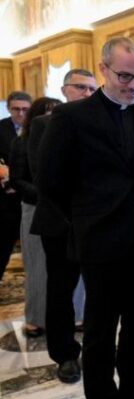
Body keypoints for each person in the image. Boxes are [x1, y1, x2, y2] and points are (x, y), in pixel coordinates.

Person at [36, 37, 134, 399]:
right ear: (103, 69)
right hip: (100, 241)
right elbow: (50, 181)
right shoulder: (71, 118)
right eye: (125, 76)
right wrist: (87, 219)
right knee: (100, 327)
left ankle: (132, 389)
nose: (133, 85)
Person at [29, 68, 95, 383]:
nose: (87, 93)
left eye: (92, 89)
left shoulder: (102, 124)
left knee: (101, 290)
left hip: (97, 222)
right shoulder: (43, 124)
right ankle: (65, 354)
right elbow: (43, 175)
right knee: (60, 290)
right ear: (65, 89)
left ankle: (97, 347)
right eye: (80, 87)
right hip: (60, 222)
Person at [9, 96, 61, 340]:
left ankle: (75, 316)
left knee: (70, 269)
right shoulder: (21, 142)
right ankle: (35, 320)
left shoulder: (66, 142)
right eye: (48, 113)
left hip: (64, 210)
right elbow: (17, 180)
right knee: (38, 267)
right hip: (35, 208)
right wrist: (46, 195)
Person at [0, 91, 31, 281]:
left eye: (25, 109)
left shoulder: (37, 127)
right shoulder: (1, 128)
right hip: (6, 198)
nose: (20, 113)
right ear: (9, 109)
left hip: (29, 194)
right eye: (16, 109)